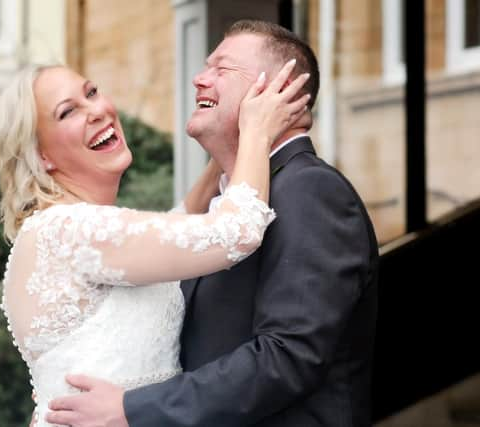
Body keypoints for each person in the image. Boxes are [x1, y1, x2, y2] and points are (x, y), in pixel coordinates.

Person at [45, 20, 379, 427]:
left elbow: (290, 356)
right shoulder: (229, 203)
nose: (200, 80)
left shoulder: (310, 190)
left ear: (275, 90)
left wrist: (134, 409)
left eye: (221, 69)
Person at [0, 57, 310, 426]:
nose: (96, 111)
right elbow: (237, 232)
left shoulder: (67, 230)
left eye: (92, 92)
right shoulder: (70, 230)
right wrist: (256, 131)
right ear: (41, 156)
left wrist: (227, 147)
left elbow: (180, 220)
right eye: (68, 112)